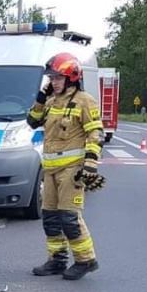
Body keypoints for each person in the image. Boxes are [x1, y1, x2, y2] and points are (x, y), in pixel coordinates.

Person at [25, 52, 105, 280]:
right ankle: (57, 260)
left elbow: (95, 133)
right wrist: (41, 97)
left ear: (71, 77)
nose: (53, 82)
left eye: (58, 78)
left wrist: (90, 164)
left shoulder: (84, 101)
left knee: (69, 217)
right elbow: (32, 121)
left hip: (72, 170)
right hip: (50, 170)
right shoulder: (51, 101)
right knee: (50, 218)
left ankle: (86, 260)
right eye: (51, 78)